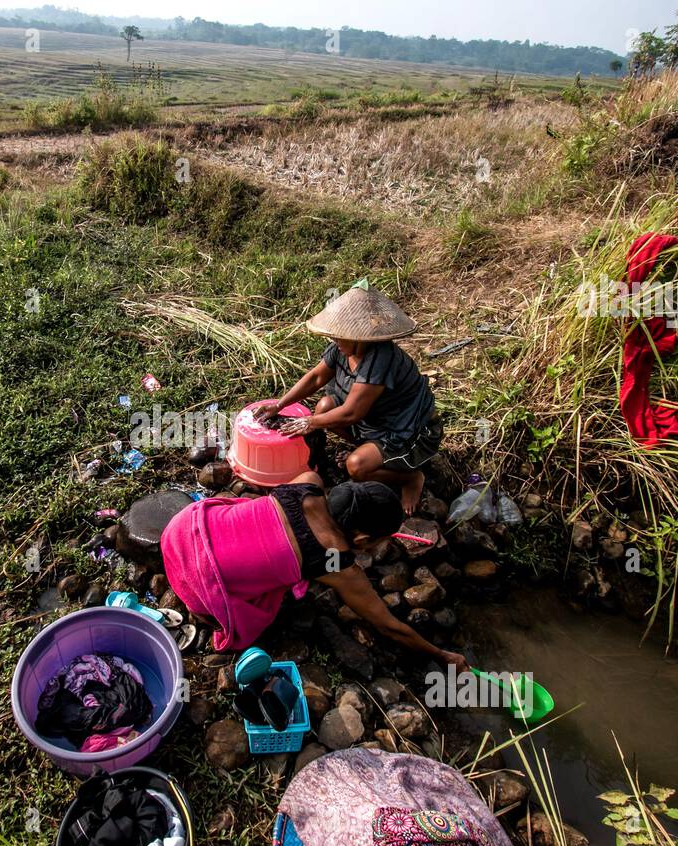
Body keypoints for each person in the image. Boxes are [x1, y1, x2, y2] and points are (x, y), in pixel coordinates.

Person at [160, 471, 465, 670]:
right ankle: (206, 610)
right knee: (262, 613)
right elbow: (388, 625)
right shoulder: (336, 563)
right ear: (361, 540)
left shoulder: (309, 482)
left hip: (181, 530)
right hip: (199, 580)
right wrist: (442, 655)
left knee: (252, 517)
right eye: (377, 544)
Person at [255, 281, 441, 514]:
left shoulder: (380, 358)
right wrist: (279, 404)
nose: (335, 341)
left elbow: (352, 412)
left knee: (356, 467)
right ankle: (369, 449)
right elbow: (315, 378)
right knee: (324, 407)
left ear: (359, 337)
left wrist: (309, 422)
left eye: (339, 337)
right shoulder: (342, 349)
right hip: (374, 420)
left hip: (406, 430)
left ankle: (409, 477)